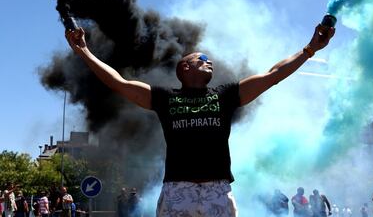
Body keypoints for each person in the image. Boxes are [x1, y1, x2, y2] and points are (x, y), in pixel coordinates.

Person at [65, 19, 335, 217]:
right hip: (176, 191)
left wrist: (309, 49)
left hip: (217, 190)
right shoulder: (165, 99)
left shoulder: (226, 95)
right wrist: (84, 52)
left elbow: (272, 75)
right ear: (185, 67)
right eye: (202, 58)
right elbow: (119, 82)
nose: (210, 61)